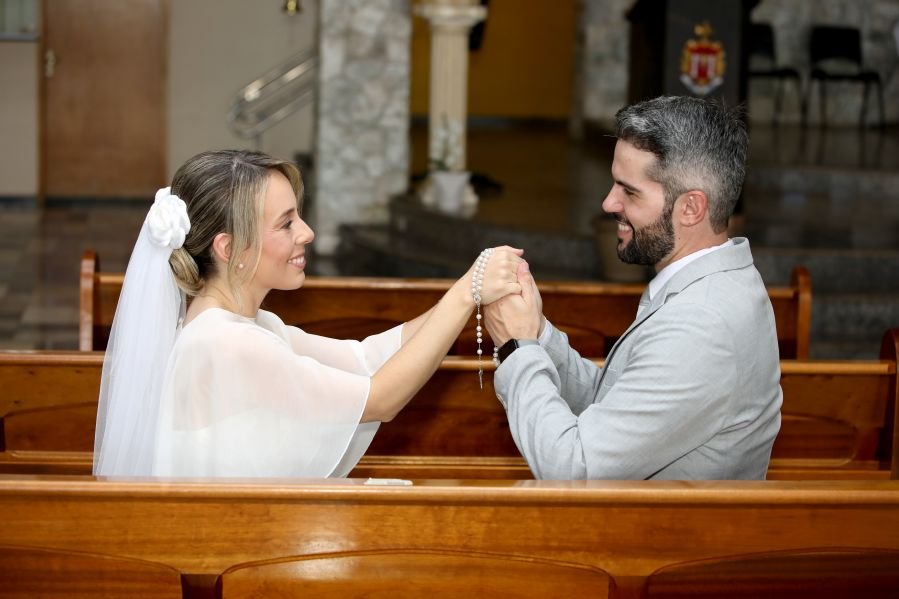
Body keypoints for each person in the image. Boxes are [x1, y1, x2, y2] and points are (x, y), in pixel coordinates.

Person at [93, 149, 523, 478]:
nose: (308, 233)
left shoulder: (245, 325)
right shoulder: (225, 343)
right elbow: (378, 399)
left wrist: (468, 282)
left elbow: (365, 357)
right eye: (286, 223)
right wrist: (468, 293)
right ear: (229, 249)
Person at [484, 96, 782, 480]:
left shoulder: (701, 326)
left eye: (631, 191)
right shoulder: (710, 279)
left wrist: (516, 347)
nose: (609, 202)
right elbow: (611, 404)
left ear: (691, 208)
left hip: (663, 537)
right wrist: (539, 334)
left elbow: (574, 471)